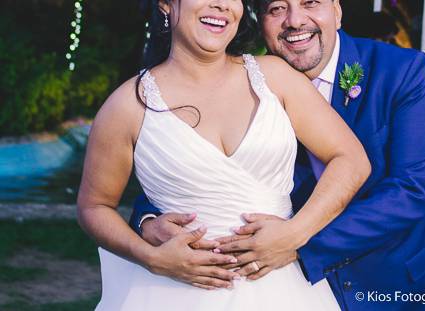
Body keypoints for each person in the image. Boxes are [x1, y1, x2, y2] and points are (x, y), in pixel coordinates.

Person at [132, 0, 425, 310]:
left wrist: (298, 241)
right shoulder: (248, 81)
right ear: (260, 22)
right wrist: (148, 221)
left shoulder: (398, 70)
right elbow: (190, 164)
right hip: (300, 292)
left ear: (336, 10)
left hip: (406, 286)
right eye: (277, 8)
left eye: (310, 2)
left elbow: (411, 189)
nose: (294, 21)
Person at [77, 0, 371, 309]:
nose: (220, 4)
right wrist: (150, 257)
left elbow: (350, 159)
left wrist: (295, 234)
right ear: (165, 4)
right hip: (172, 293)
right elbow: (94, 207)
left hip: (283, 289)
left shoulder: (276, 78)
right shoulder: (126, 106)